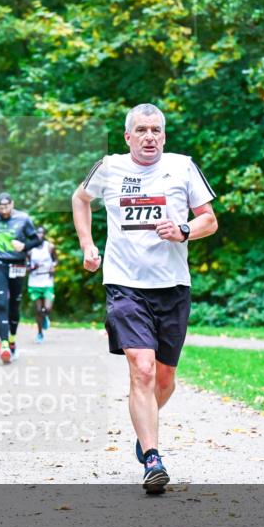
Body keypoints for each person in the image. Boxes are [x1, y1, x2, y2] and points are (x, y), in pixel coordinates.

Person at [71, 103, 218, 493]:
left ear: (164, 136)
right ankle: (152, 458)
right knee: (143, 369)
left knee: (165, 380)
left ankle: (144, 427)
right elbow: (80, 199)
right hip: (124, 284)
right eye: (141, 130)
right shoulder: (109, 167)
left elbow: (209, 219)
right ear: (128, 137)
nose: (149, 136)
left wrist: (184, 229)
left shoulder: (183, 166)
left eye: (156, 130)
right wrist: (88, 245)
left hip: (172, 286)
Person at [0, 193, 41, 364]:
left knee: (15, 304)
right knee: (1, 302)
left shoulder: (23, 218)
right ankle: (4, 344)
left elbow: (36, 239)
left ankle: (12, 339)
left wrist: (25, 246)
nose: (4, 211)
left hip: (17, 264)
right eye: (0, 207)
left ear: (12, 204)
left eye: (6, 207)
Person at [27, 226, 57, 342]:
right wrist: (32, 267)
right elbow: (26, 268)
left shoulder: (50, 247)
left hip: (47, 281)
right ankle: (39, 333)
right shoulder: (30, 250)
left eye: (41, 233)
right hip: (34, 282)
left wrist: (53, 267)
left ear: (44, 234)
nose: (39, 235)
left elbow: (56, 260)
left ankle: (45, 317)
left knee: (47, 308)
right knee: (39, 310)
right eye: (37, 233)